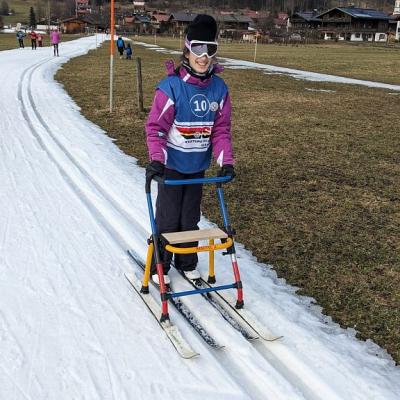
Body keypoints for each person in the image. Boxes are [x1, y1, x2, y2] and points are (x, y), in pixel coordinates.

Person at [145, 15, 235, 285]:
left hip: (198, 167)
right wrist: (157, 160)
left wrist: (226, 162)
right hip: (171, 167)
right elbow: (156, 129)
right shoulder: (171, 86)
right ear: (186, 49)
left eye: (210, 49)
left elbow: (220, 130)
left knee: (190, 218)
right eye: (197, 48)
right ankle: (160, 264)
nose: (203, 56)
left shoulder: (219, 89)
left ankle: (187, 262)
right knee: (168, 217)